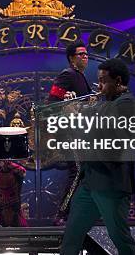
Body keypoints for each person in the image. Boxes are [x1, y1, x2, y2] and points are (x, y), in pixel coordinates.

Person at [61, 58, 135, 255]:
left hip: (110, 183)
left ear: (118, 81)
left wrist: (77, 118)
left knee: (120, 238)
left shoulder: (126, 104)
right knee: (71, 236)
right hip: (91, 181)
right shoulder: (107, 103)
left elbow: (104, 136)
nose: (100, 87)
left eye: (103, 81)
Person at [47, 42, 91, 226]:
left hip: (79, 132)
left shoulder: (81, 77)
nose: (85, 57)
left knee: (84, 172)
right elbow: (51, 102)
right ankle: (62, 214)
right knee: (78, 171)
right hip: (68, 132)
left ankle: (74, 213)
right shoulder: (68, 75)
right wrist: (66, 104)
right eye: (81, 54)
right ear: (72, 58)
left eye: (86, 54)